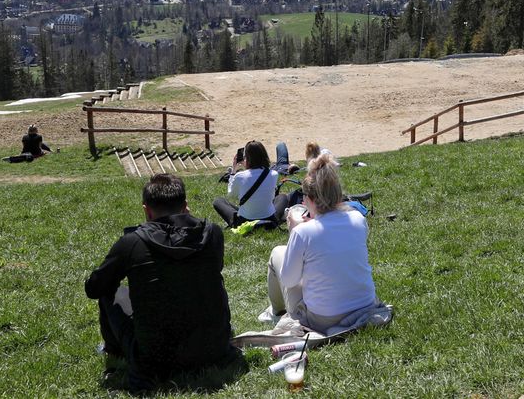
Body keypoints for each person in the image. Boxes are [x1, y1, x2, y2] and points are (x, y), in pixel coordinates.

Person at [85, 174, 240, 392]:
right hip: (213, 348)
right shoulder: (212, 233)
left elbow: (94, 288)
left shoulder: (132, 242)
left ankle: (114, 350)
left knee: (109, 290)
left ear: (146, 210)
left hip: (157, 360)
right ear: (185, 207)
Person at [264, 154, 384, 334]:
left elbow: (290, 280)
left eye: (304, 197)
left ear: (310, 200)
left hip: (324, 319)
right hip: (365, 305)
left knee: (277, 253)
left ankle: (277, 311)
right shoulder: (358, 219)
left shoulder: (302, 232)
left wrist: (294, 234)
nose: (303, 202)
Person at [213, 140, 280, 228]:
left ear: (247, 158)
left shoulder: (240, 176)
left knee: (218, 201)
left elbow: (231, 194)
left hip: (245, 220)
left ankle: (235, 223)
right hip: (269, 217)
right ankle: (275, 220)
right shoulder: (274, 174)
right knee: (283, 197)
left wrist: (233, 171)